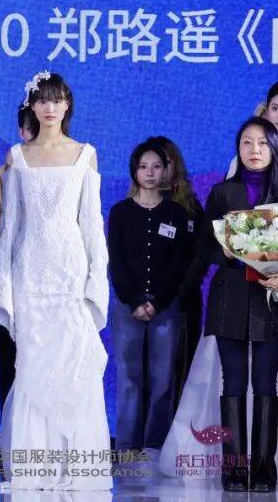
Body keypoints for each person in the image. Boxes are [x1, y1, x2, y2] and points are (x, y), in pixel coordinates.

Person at [0, 72, 112, 491]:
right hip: (30, 277)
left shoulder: (85, 154)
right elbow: (11, 225)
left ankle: (77, 468)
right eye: (42, 100)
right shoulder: (16, 156)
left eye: (56, 100)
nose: (49, 108)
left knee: (75, 367)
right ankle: (33, 469)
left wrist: (96, 281)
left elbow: (92, 225)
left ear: (67, 105)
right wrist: (3, 281)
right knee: (32, 368)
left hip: (71, 275)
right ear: (32, 107)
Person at [172, 117, 278, 492]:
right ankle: (234, 468)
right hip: (230, 294)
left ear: (274, 148)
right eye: (247, 143)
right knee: (232, 380)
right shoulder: (222, 192)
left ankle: (264, 469)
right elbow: (204, 245)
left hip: (271, 298)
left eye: (262, 143)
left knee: (265, 380)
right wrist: (229, 250)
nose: (254, 150)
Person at [108, 141, 191, 454]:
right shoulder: (120, 212)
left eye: (157, 166)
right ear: (134, 171)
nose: (150, 173)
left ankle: (156, 446)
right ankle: (127, 447)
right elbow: (116, 262)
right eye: (143, 167)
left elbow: (178, 264)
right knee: (129, 378)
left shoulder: (176, 214)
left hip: (165, 307)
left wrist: (156, 302)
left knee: (162, 379)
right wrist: (134, 301)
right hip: (126, 307)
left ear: (166, 170)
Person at [145, 135, 205, 408]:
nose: (156, 170)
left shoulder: (191, 208)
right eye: (150, 163)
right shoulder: (133, 207)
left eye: (163, 162)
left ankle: (175, 432)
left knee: (179, 374)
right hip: (144, 306)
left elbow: (200, 258)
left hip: (182, 305)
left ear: (175, 165)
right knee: (144, 377)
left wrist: (178, 294)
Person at [0, 107, 36, 417]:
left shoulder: (69, 167)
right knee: (10, 357)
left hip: (53, 281)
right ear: (21, 132)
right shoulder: (0, 175)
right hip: (11, 279)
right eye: (31, 128)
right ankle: (11, 430)